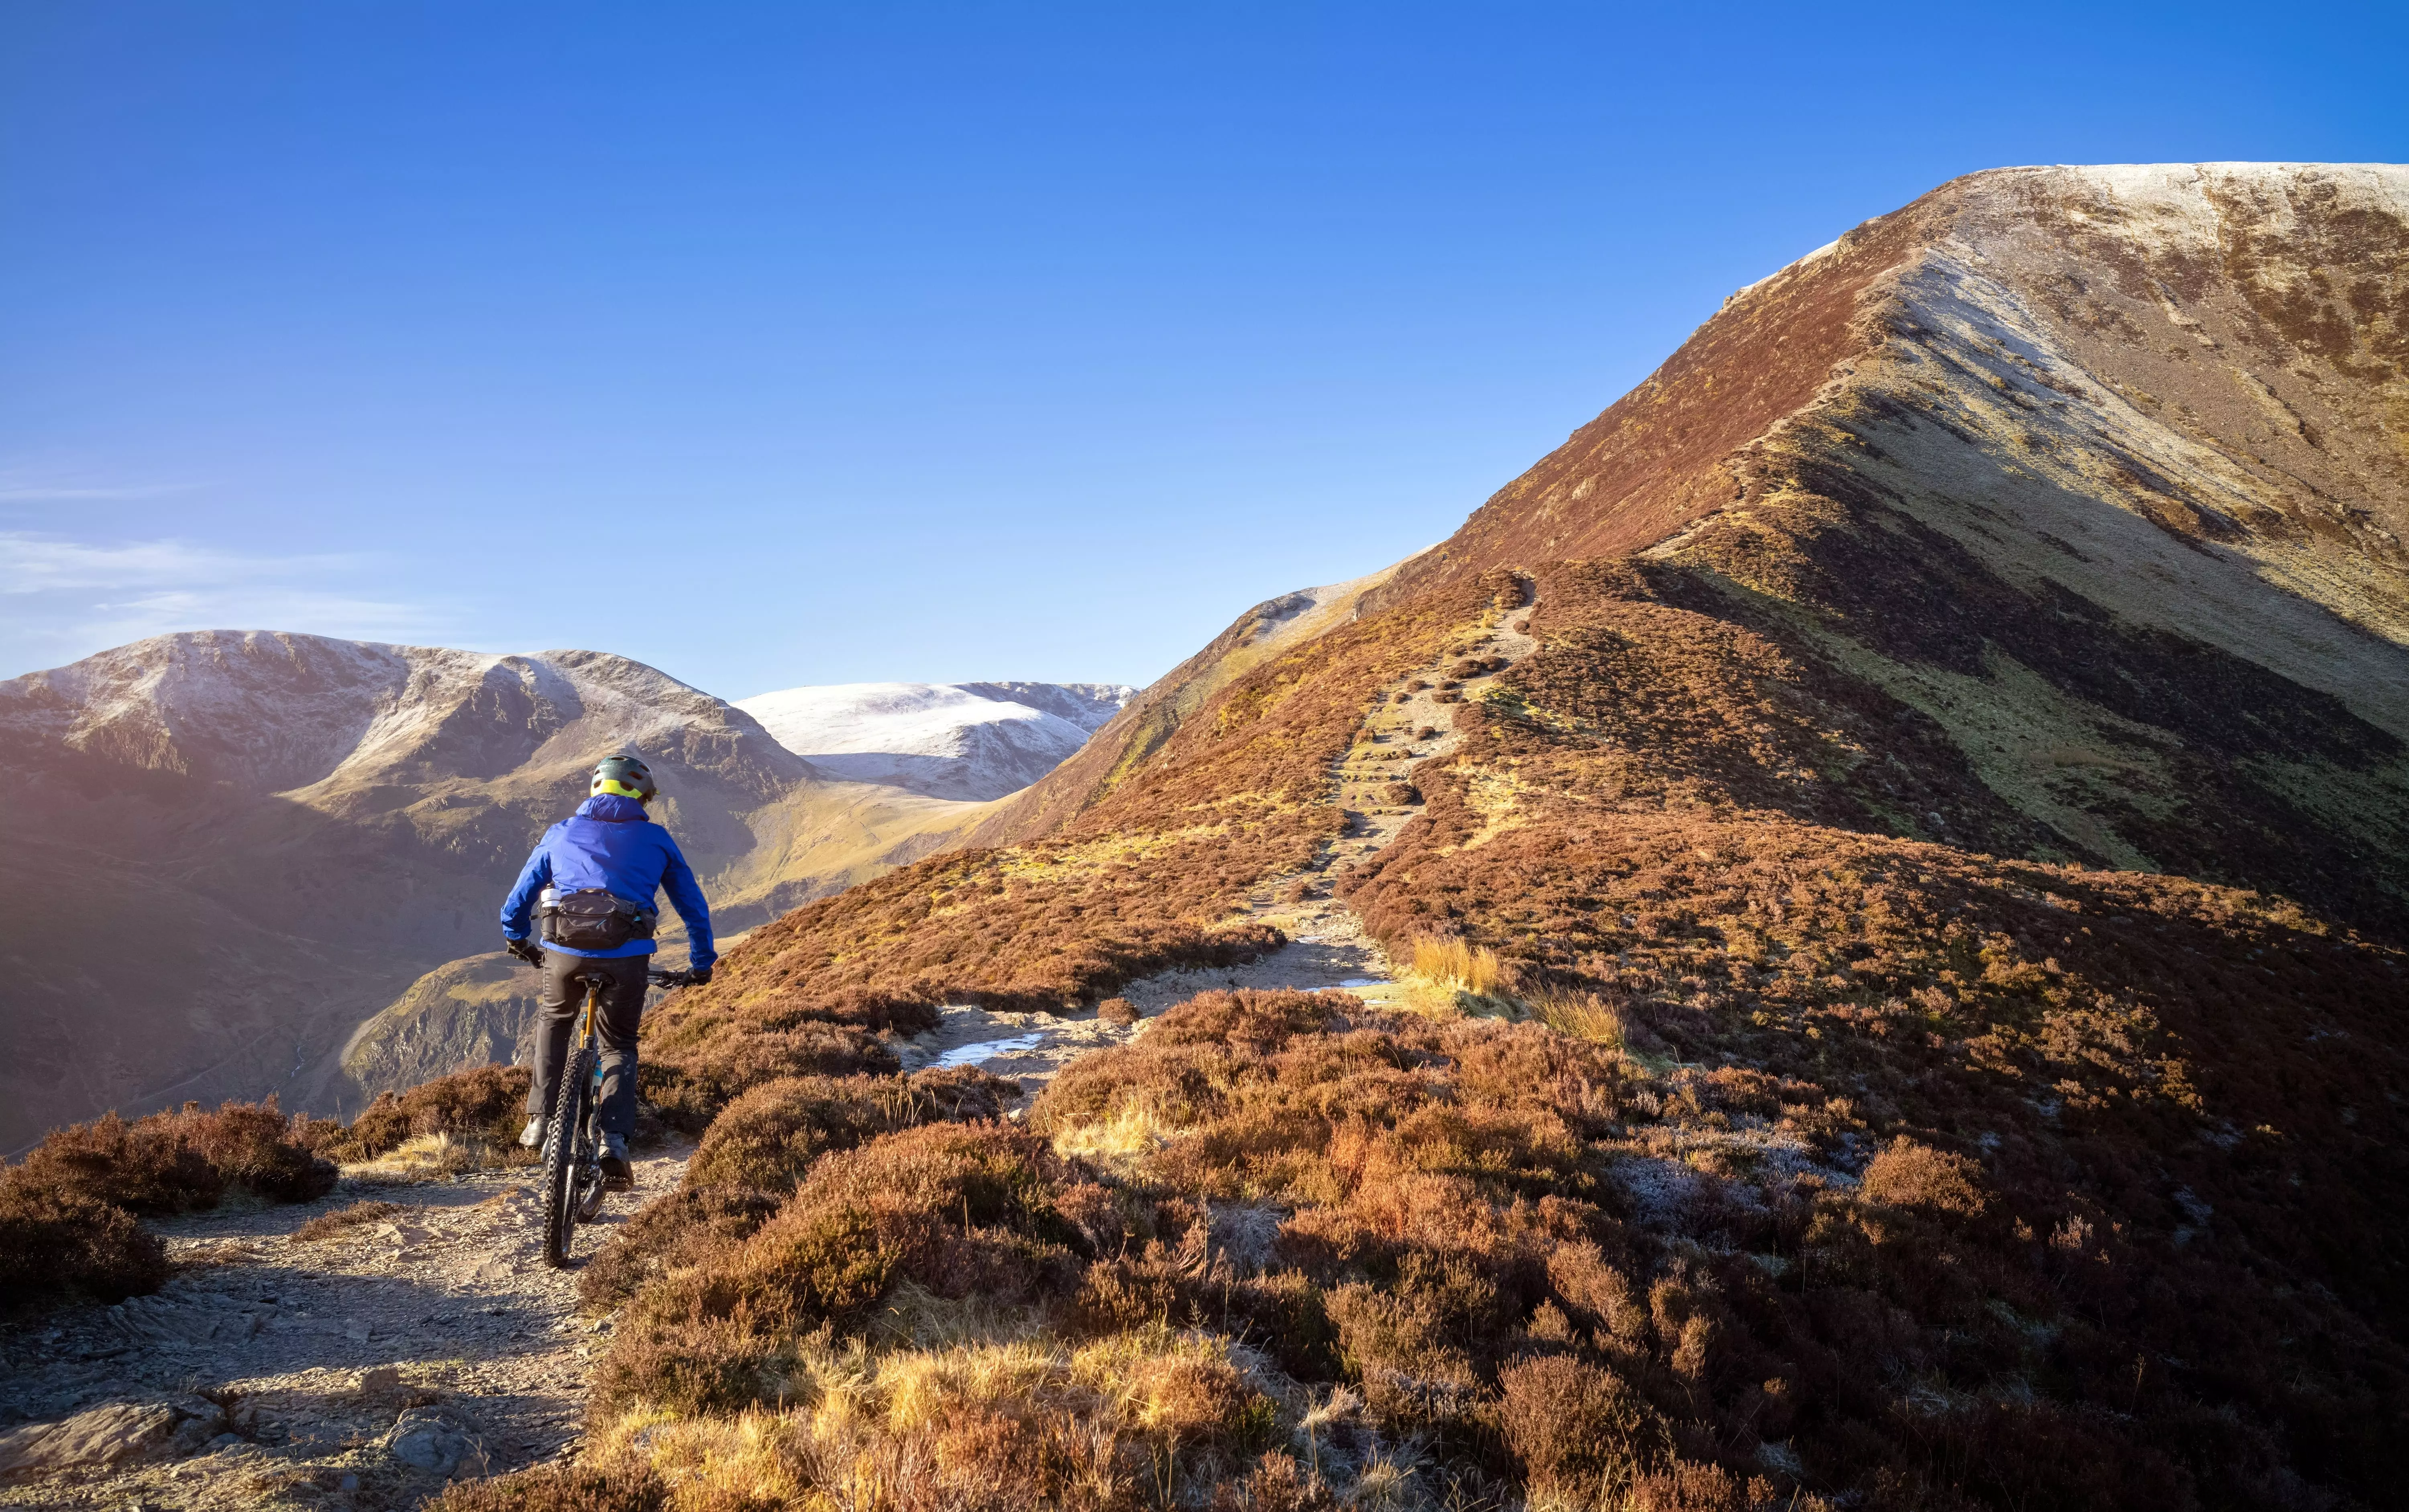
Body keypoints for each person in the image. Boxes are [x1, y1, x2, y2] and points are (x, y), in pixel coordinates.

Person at [498, 753, 715, 1189]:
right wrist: (701, 964)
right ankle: (613, 1139)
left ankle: (540, 1119)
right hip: (628, 955)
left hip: (565, 952)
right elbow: (692, 905)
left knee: (556, 1020)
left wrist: (517, 936)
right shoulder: (656, 839)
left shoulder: (561, 833)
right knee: (618, 1045)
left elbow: (519, 896)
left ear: (595, 790)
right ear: (642, 797)